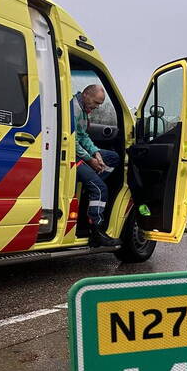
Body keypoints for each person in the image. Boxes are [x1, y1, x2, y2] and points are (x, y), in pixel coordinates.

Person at [74, 84, 120, 248]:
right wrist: (89, 159)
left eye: (99, 104)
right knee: (101, 189)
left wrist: (97, 154)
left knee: (113, 158)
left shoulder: (83, 109)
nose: (96, 107)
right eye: (95, 102)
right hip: (70, 157)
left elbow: (83, 136)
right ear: (86, 94)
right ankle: (96, 231)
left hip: (80, 153)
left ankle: (90, 183)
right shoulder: (74, 109)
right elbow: (71, 141)